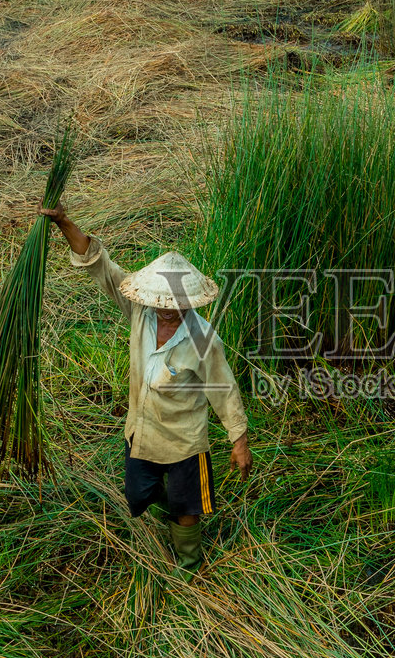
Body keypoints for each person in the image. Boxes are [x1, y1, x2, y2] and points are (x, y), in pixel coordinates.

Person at [42, 202, 253, 572]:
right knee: (138, 496)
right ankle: (169, 504)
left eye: (177, 303)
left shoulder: (204, 338)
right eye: (164, 302)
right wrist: (63, 221)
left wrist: (239, 440)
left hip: (186, 440)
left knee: (186, 511)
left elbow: (223, 388)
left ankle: (188, 565)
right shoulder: (141, 312)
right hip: (142, 431)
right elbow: (100, 266)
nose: (168, 309)